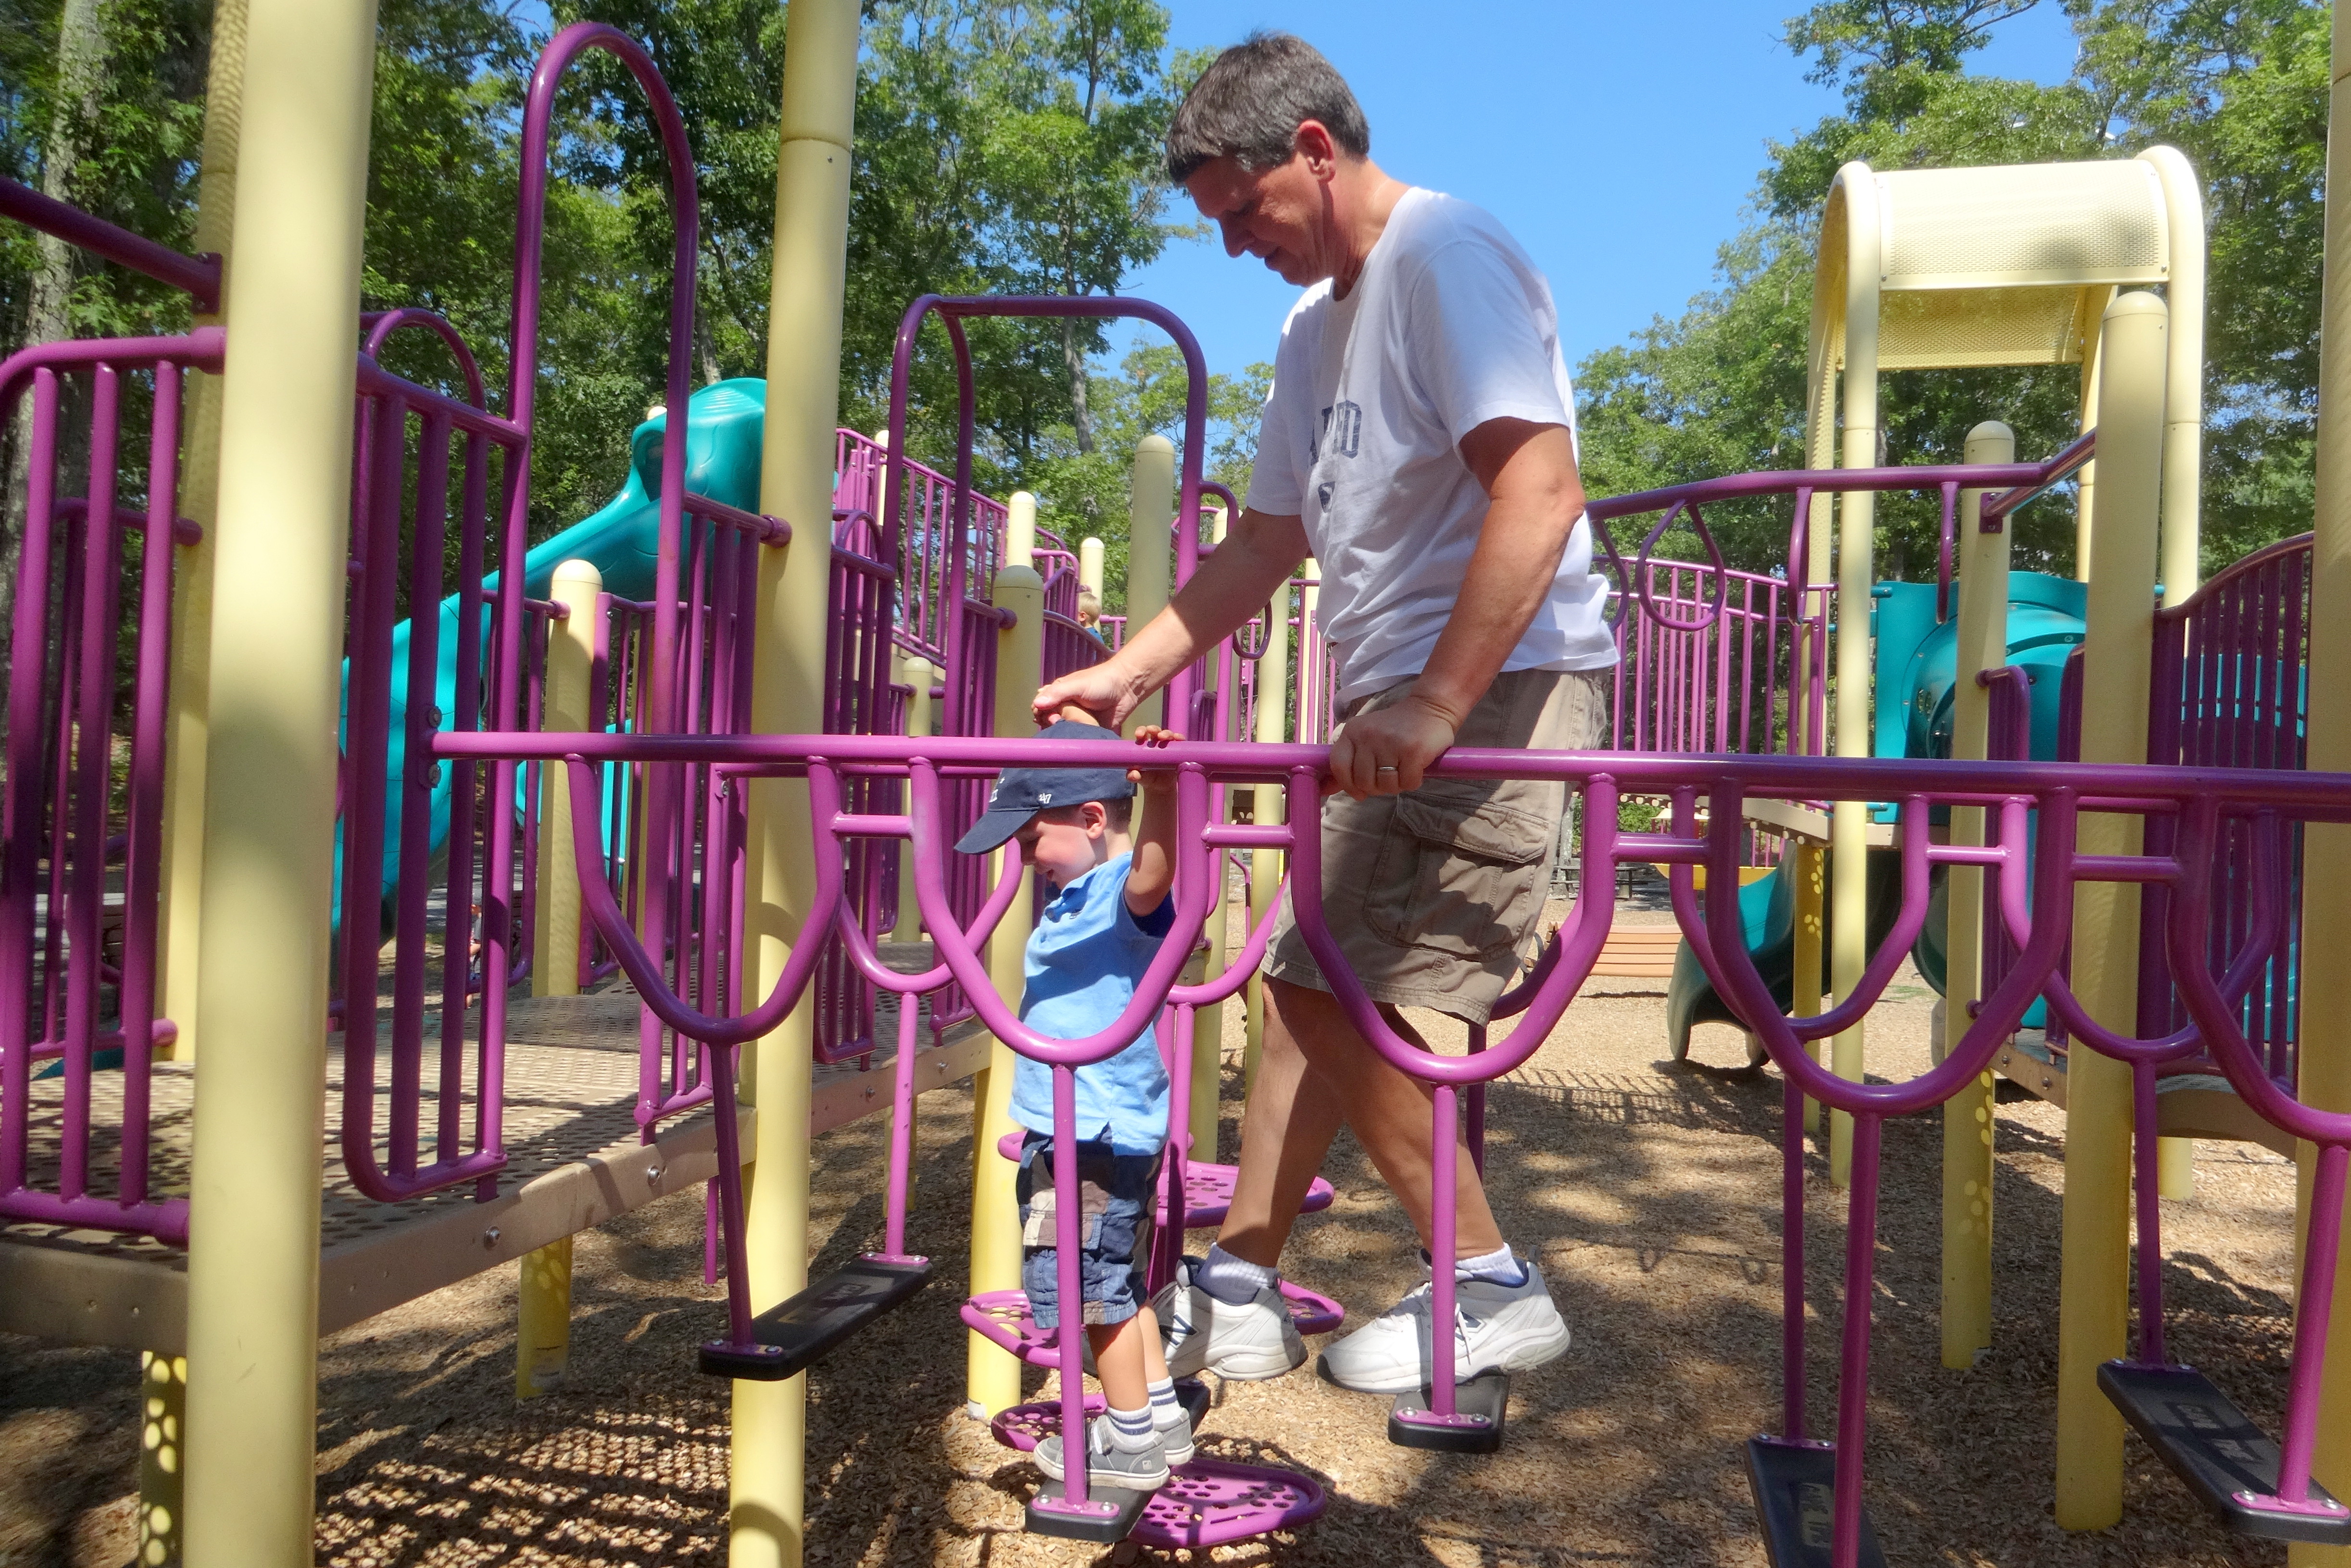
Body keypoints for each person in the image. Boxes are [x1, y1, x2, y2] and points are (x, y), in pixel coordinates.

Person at [1031, 33, 1617, 1399]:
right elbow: (1265, 541)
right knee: (1301, 987)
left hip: (1493, 694)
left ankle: (1488, 1279)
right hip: (1399, 701)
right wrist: (1128, 671)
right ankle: (1241, 1280)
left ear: (1314, 149)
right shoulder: (1311, 329)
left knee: (1324, 988)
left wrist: (1438, 699)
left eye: (1244, 209)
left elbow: (1541, 489)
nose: (1235, 244)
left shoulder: (1443, 257)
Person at [955, 715, 1194, 1490]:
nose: (1027, 858)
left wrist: (1162, 793)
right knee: (1115, 1282)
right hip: (1079, 1126)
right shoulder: (1076, 894)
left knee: (1090, 1291)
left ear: (1092, 818)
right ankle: (1158, 1414)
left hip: (1090, 1134)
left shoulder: (1119, 894)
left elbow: (1153, 875)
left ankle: (1127, 1440)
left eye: (1032, 840)